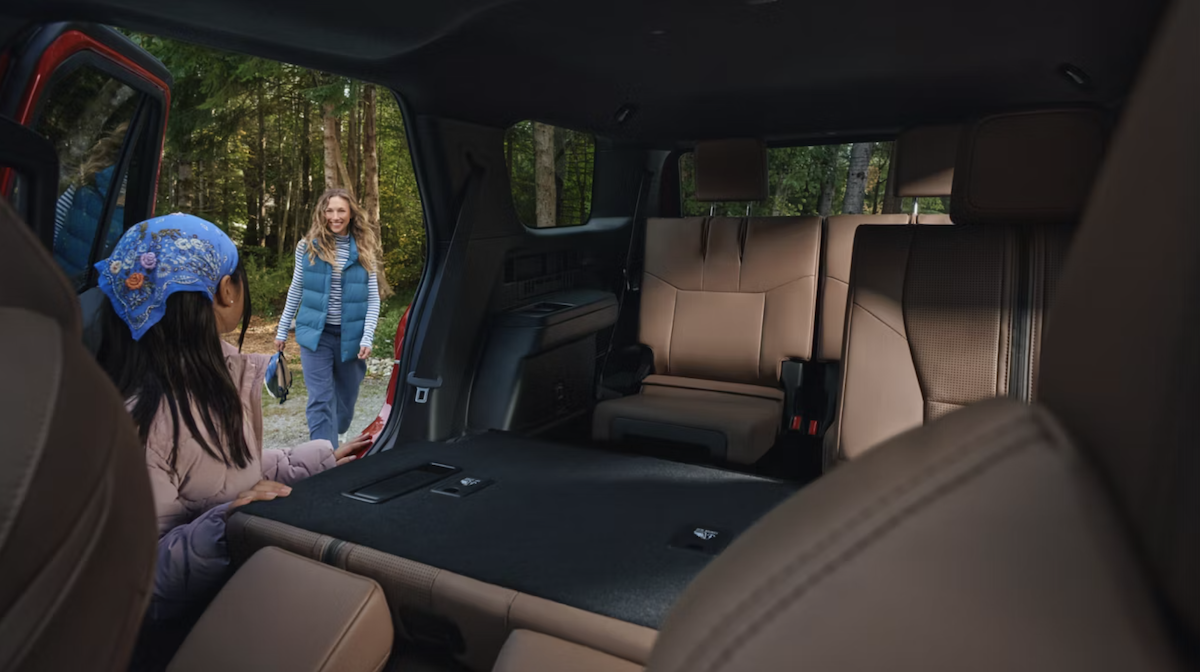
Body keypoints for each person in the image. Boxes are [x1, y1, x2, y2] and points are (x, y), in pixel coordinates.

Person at [94, 213, 371, 626]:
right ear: (227, 291)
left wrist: (318, 462)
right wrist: (229, 523)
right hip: (186, 630)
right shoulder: (139, 422)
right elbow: (138, 578)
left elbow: (226, 475)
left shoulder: (212, 381)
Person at [274, 188, 382, 447]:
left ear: (351, 213)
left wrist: (367, 335)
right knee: (320, 398)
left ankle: (337, 432)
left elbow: (373, 298)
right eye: (330, 210)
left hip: (351, 338)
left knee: (344, 406)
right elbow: (296, 288)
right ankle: (323, 457)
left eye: (341, 210)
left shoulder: (365, 247)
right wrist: (281, 329)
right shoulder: (307, 247)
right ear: (322, 213)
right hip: (316, 336)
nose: (335, 216)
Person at [53, 121, 129, 285]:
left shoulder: (86, 181)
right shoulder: (136, 199)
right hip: (85, 294)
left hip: (55, 281)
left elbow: (51, 229)